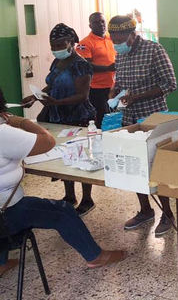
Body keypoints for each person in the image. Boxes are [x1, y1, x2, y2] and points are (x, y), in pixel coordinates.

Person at [0, 88, 126, 275]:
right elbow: (48, 142)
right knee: (63, 211)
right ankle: (95, 256)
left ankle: (1, 263)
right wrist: (21, 121)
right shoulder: (3, 133)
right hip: (6, 212)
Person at [108, 15, 178, 237]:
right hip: (129, 118)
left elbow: (170, 84)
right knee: (134, 165)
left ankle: (167, 214)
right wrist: (114, 90)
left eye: (120, 38)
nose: (116, 43)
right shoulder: (121, 54)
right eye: (113, 39)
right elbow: (120, 81)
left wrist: (138, 96)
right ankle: (145, 210)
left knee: (158, 166)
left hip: (153, 118)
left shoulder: (153, 50)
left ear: (132, 34)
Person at [21, 23, 97, 217]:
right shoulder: (57, 62)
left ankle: (87, 199)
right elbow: (51, 85)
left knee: (82, 156)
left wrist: (57, 102)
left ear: (71, 42)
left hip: (78, 117)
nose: (56, 49)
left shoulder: (81, 65)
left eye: (59, 44)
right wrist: (35, 97)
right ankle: (69, 196)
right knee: (64, 155)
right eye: (52, 45)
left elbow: (82, 95)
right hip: (58, 117)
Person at [76, 12, 116, 129]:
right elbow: (85, 65)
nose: (101, 24)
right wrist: (108, 68)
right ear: (90, 26)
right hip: (96, 88)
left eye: (102, 21)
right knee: (101, 118)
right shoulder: (85, 43)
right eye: (96, 22)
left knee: (114, 117)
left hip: (113, 87)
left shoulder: (111, 39)